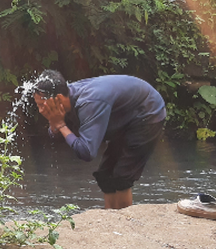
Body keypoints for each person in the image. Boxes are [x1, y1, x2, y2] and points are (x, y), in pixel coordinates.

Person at [32, 70, 165, 209]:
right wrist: (55, 123)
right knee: (104, 176)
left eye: (42, 105)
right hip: (123, 116)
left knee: (122, 177)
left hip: (148, 112)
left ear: (58, 98)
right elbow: (55, 135)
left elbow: (87, 152)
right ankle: (111, 218)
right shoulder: (67, 97)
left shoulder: (89, 103)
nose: (41, 111)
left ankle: (124, 223)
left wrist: (60, 125)